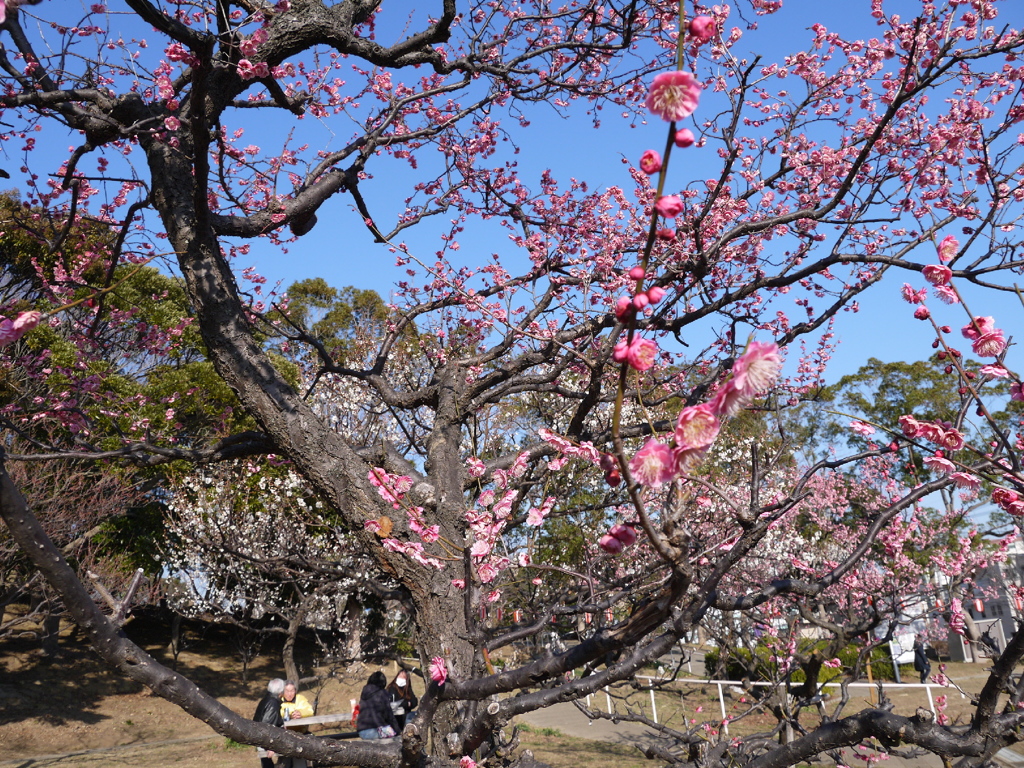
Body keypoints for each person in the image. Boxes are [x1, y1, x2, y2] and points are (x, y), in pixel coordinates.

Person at [356, 670, 400, 740]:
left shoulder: (365, 692)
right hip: (376, 729)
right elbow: (389, 715)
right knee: (397, 741)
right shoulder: (382, 693)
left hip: (362, 730)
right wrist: (397, 730)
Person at [253, 678, 285, 768]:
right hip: (264, 742)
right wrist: (271, 747)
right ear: (280, 692)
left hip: (259, 739)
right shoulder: (272, 704)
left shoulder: (266, 700)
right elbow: (268, 727)